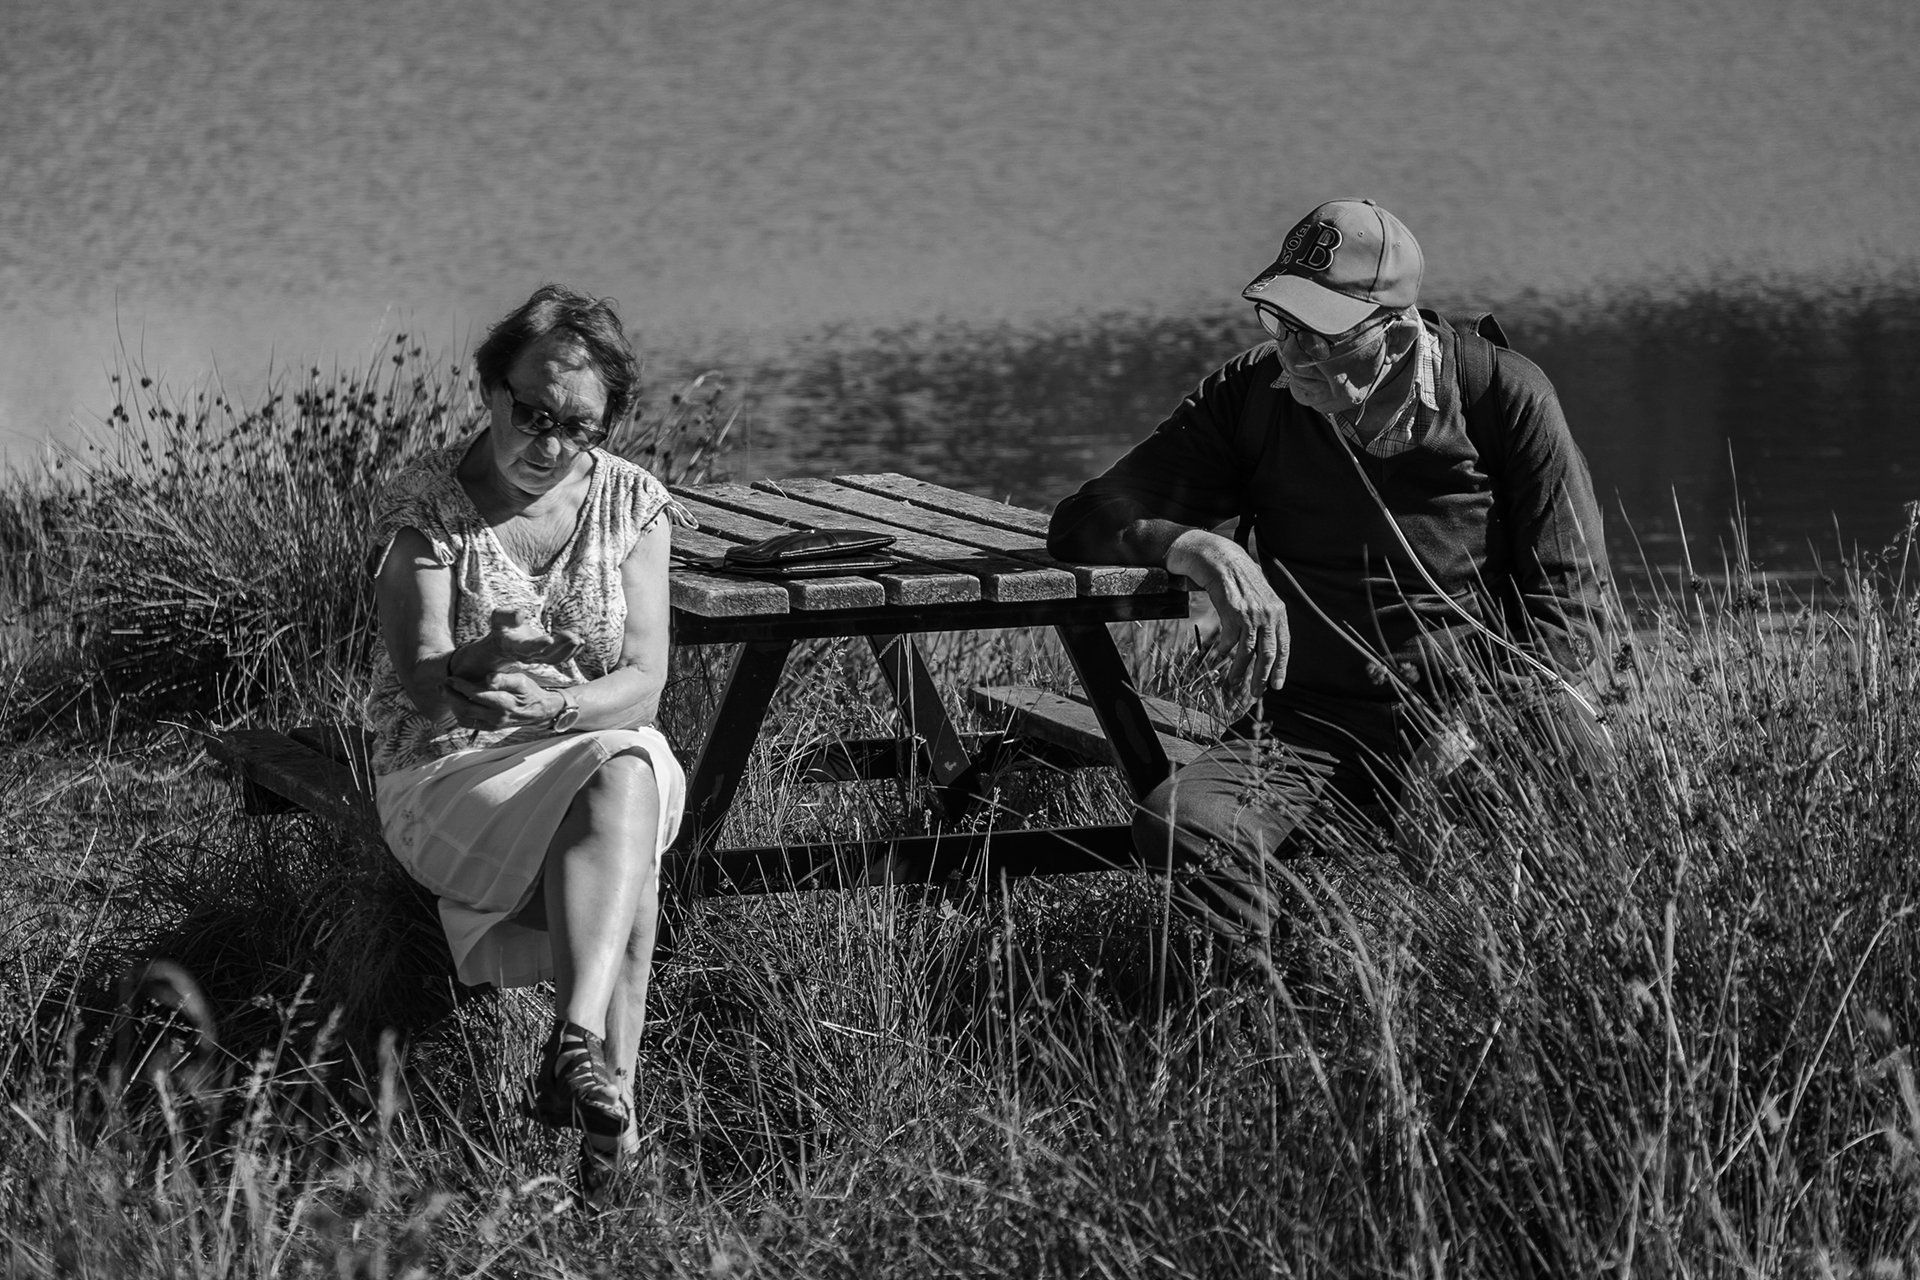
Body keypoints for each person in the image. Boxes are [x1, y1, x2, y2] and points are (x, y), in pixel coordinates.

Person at [1047, 197, 1612, 953]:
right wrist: (1202, 549)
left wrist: (1474, 727)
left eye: (1321, 336)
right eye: (1282, 324)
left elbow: (1571, 607)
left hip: (1485, 712)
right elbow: (1083, 517)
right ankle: (1282, 998)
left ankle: (1541, 981)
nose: (1294, 356)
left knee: (1581, 781)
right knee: (1181, 827)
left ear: (1397, 332)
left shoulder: (1503, 395)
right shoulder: (1251, 395)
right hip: (1311, 723)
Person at [367, 283, 688, 1200]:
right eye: (533, 413)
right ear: (490, 389)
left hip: (582, 744)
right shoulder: (426, 502)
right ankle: (608, 1125)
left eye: (578, 426)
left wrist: (555, 710)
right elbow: (423, 680)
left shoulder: (634, 502)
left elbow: (645, 680)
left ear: (607, 425)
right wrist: (478, 663)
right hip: (450, 767)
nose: (549, 445)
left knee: (628, 763)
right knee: (630, 824)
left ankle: (573, 1051)